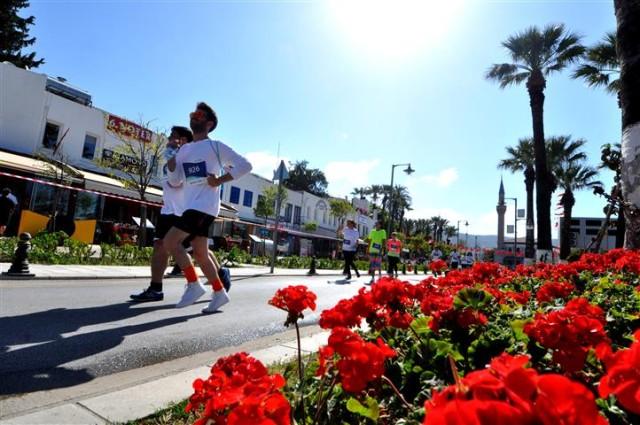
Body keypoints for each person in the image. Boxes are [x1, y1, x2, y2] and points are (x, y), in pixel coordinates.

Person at [165, 102, 252, 314]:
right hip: (191, 205)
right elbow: (176, 181)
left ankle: (194, 284)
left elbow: (245, 165)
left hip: (203, 205)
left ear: (209, 123)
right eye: (193, 113)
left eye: (200, 114)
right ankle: (219, 292)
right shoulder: (184, 149)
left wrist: (219, 180)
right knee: (201, 253)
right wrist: (171, 161)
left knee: (170, 242)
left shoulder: (216, 147)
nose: (194, 116)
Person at [130, 126, 193, 302]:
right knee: (160, 247)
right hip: (168, 211)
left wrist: (172, 156)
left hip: (184, 213)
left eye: (173, 137)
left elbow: (176, 182)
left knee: (198, 252)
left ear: (183, 141)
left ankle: (216, 277)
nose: (169, 140)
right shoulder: (171, 159)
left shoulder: (187, 159)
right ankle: (156, 289)